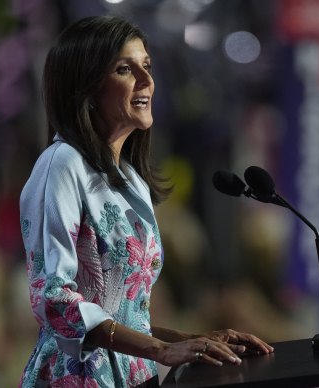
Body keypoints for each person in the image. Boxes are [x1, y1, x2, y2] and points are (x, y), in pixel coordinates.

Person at [18, 15, 273, 388]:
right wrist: (160, 350)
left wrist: (186, 341)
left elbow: (122, 316)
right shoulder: (61, 166)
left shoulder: (130, 179)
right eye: (125, 68)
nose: (146, 80)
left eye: (147, 66)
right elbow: (54, 301)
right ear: (86, 87)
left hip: (138, 376)